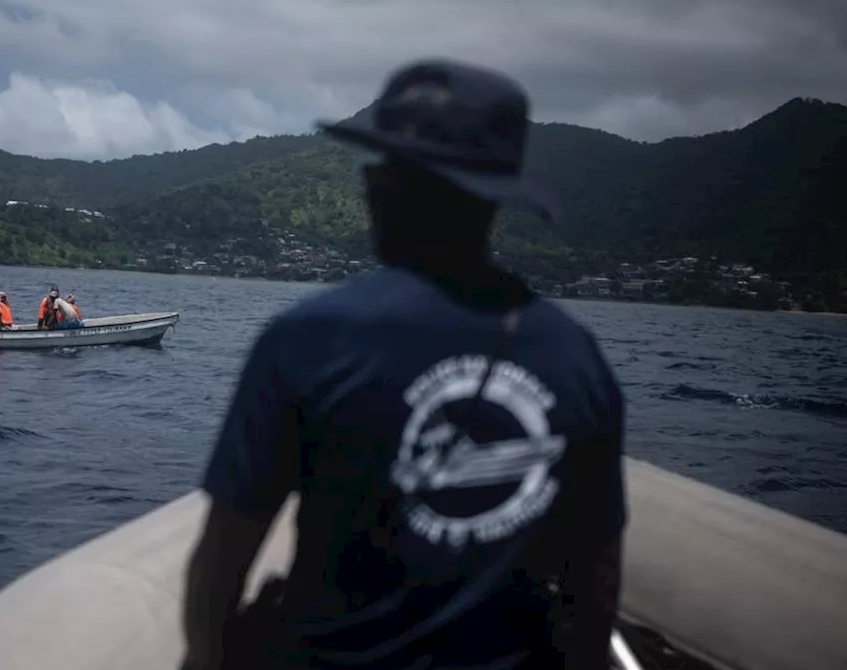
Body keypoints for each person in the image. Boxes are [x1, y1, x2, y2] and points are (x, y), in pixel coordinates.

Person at [180, 59, 626, 670]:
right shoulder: (577, 357)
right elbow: (596, 586)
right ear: (495, 198)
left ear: (386, 184)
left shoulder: (309, 337)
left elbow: (221, 561)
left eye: (378, 168)